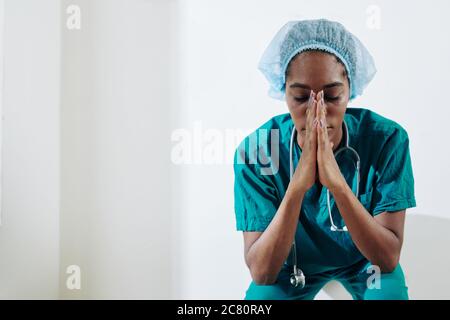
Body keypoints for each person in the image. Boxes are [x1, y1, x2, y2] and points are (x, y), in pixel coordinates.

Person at [233, 19, 416, 300]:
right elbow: (262, 272)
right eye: (300, 97)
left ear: (349, 90)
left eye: (331, 96)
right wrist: (297, 186)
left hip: (366, 264)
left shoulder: (386, 140)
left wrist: (337, 184)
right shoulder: (258, 151)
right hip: (291, 266)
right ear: (283, 92)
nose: (317, 111)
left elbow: (387, 258)